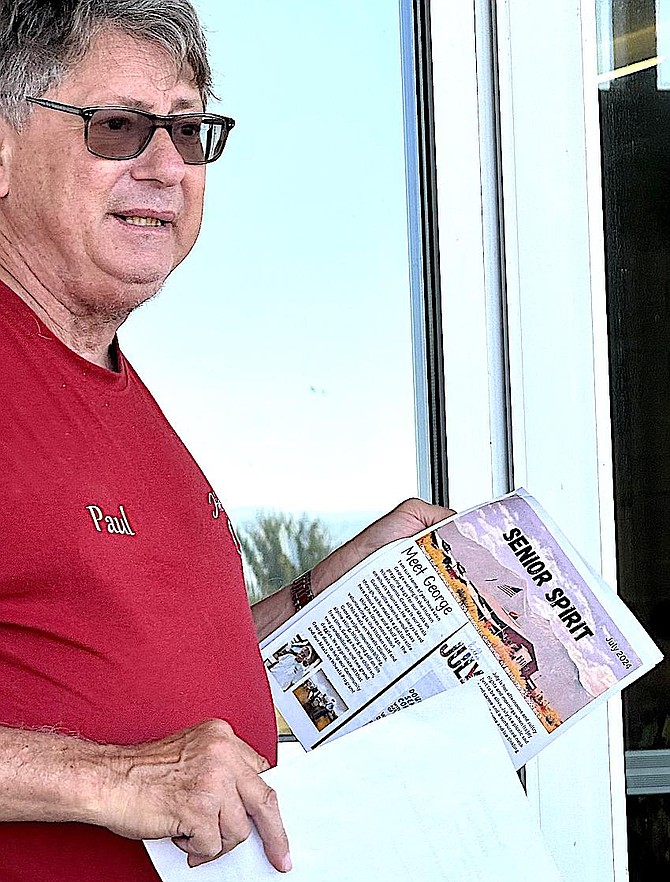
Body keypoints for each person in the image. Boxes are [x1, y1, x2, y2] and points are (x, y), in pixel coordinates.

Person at [0, 2, 453, 880]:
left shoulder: (126, 395)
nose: (168, 168)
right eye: (120, 127)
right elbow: (145, 762)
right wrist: (112, 778)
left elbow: (162, 709)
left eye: (191, 131)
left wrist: (331, 593)